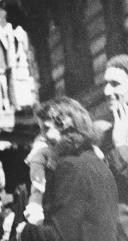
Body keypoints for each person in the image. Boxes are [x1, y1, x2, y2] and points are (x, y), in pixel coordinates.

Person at [18, 97, 118, 241]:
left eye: (46, 128)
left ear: (66, 127)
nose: (43, 137)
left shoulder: (70, 167)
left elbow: (61, 235)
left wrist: (25, 232)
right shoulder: (95, 161)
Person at [99, 53, 128, 240]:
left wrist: (122, 147)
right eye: (106, 84)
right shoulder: (106, 136)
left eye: (115, 84)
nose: (107, 91)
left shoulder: (116, 137)